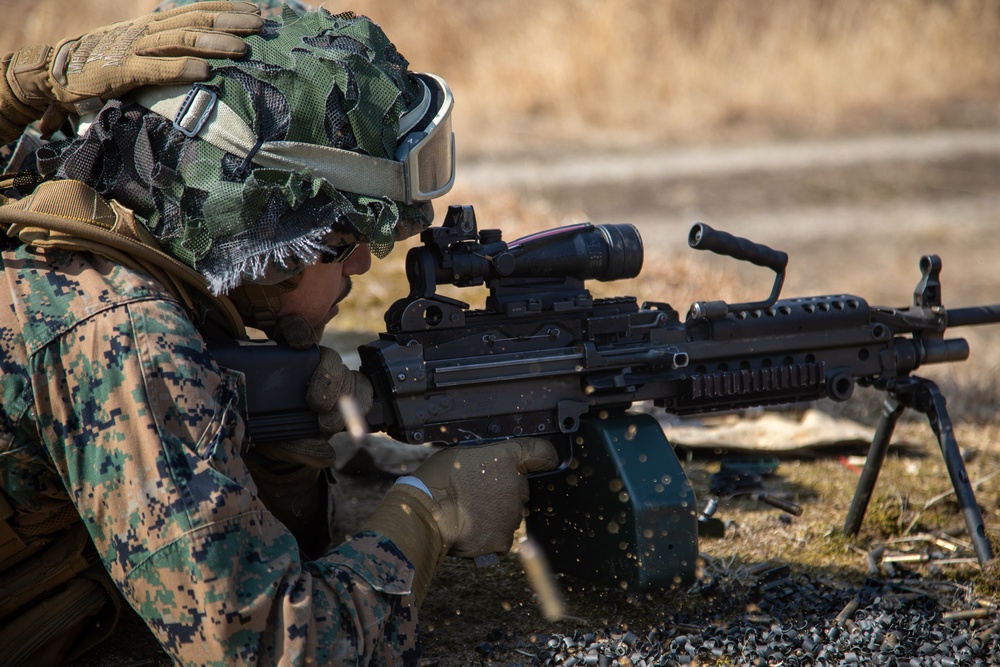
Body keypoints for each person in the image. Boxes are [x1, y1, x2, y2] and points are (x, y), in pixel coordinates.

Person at [0, 4, 558, 666]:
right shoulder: (123, 336)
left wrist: (273, 463)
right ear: (271, 234)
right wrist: (428, 513)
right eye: (345, 240)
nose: (361, 264)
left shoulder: (62, 219)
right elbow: (266, 646)